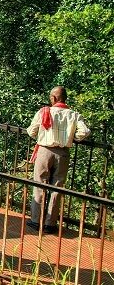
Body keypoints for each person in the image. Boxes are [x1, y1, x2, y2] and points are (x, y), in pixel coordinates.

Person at [25, 86, 90, 233]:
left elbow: (31, 131)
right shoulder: (73, 115)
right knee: (57, 187)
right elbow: (84, 132)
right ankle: (50, 223)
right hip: (63, 154)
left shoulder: (44, 112)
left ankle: (36, 221)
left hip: (44, 151)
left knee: (39, 184)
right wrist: (72, 138)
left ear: (54, 98)